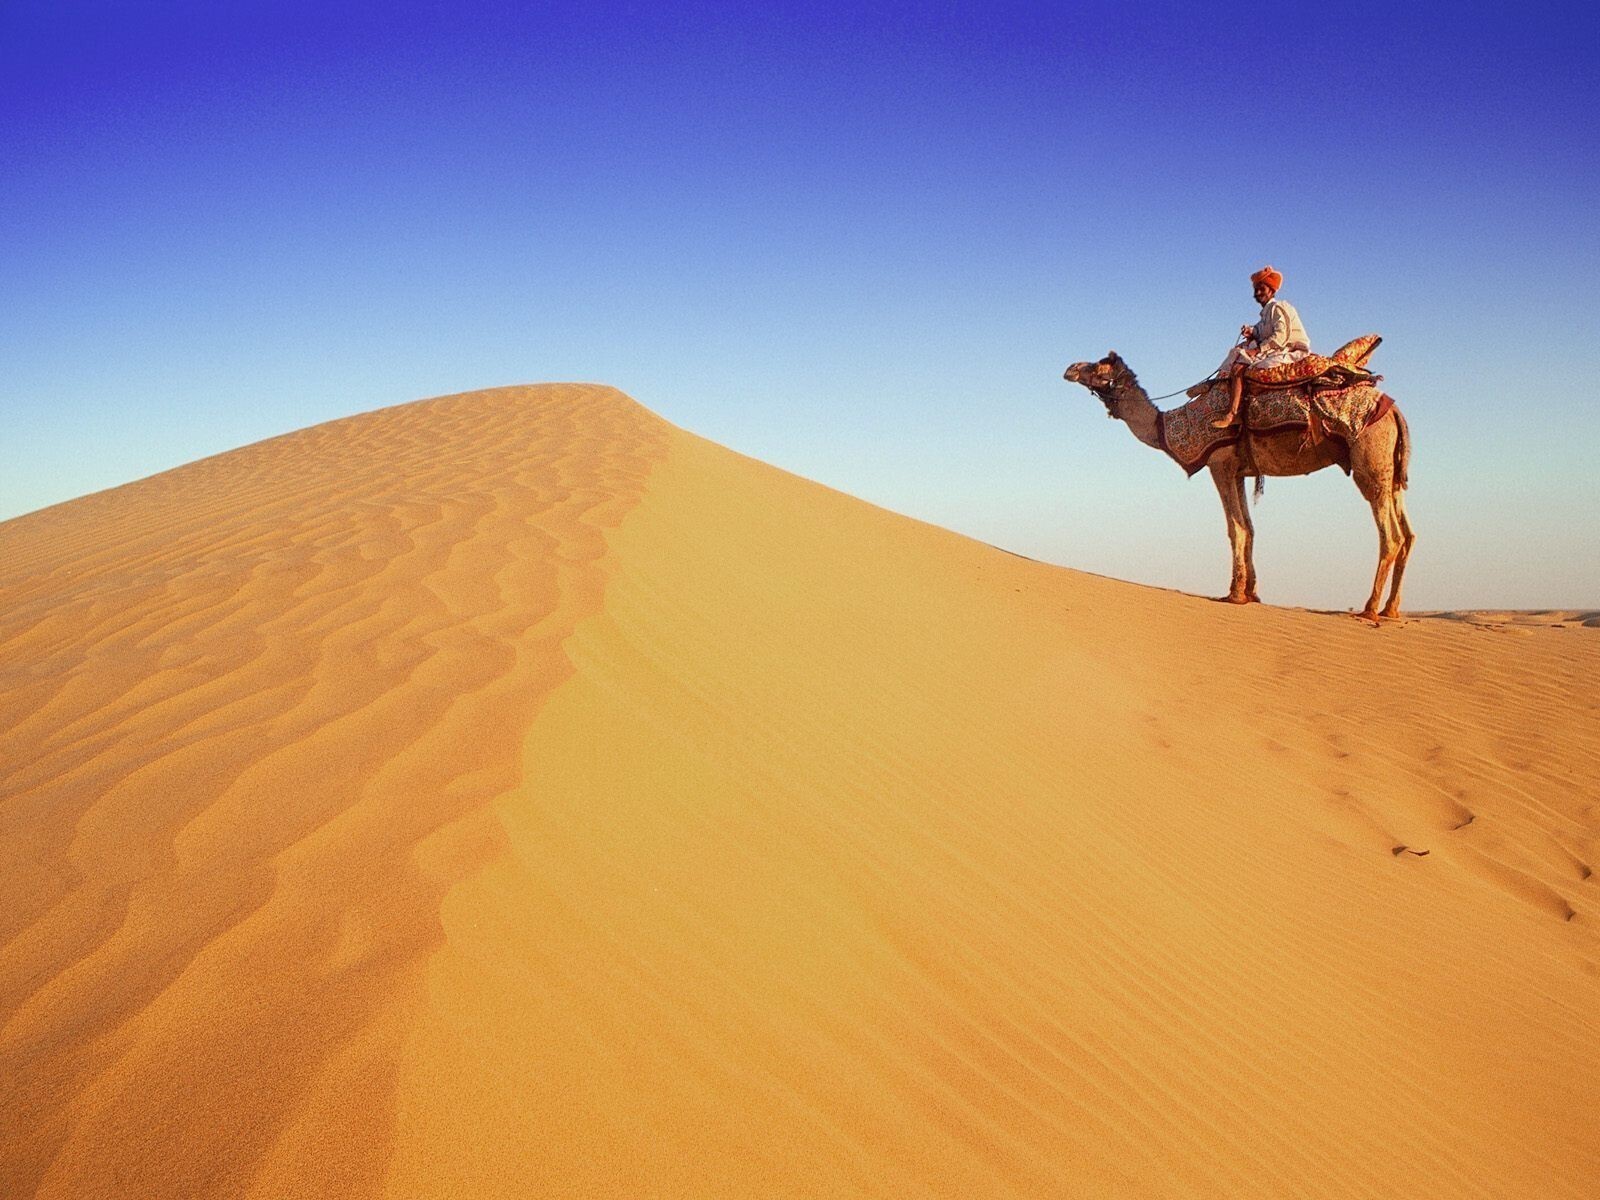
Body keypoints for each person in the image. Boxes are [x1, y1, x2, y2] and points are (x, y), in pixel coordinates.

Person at [1212, 265, 1311, 428]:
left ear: (1271, 290)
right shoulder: (1266, 313)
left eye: (1261, 289)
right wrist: (1251, 331)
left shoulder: (1279, 308)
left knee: (1239, 368)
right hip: (1276, 348)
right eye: (1256, 290)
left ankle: (1232, 414)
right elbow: (1261, 330)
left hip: (1291, 350)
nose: (1257, 294)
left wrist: (1256, 350)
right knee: (1238, 352)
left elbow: (1281, 336)